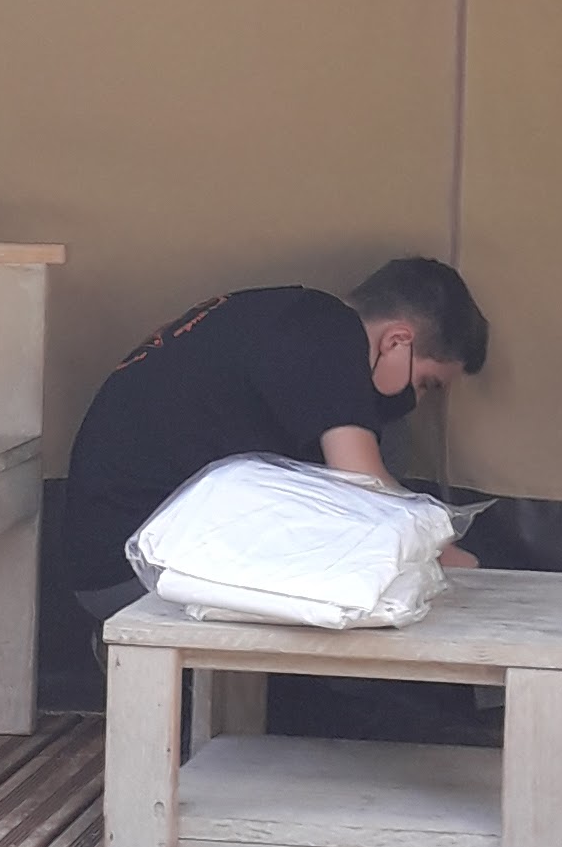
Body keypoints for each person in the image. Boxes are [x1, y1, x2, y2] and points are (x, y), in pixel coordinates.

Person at [63, 256, 490, 620]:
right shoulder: (331, 334)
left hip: (106, 556)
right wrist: (450, 558)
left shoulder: (284, 317)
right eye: (427, 383)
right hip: (136, 571)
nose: (417, 400)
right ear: (397, 340)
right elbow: (363, 486)